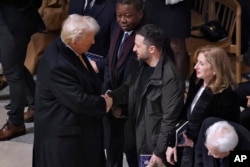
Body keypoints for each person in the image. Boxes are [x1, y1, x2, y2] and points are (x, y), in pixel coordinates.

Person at [32, 14, 112, 167]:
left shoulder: (69, 49)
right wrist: (104, 102)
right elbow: (78, 100)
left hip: (78, 131)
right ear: (75, 41)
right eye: (90, 39)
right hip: (64, 138)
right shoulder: (57, 64)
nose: (94, 42)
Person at [109, 24, 184, 166]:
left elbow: (169, 120)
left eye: (137, 45)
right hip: (133, 140)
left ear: (151, 49)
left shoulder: (169, 78)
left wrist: (158, 152)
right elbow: (127, 89)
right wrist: (109, 98)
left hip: (150, 147)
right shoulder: (139, 65)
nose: (133, 49)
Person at [166, 46, 241, 167]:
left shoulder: (227, 96)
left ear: (215, 69)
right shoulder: (196, 81)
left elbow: (224, 137)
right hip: (185, 145)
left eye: (201, 64)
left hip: (206, 155)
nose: (195, 67)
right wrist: (173, 142)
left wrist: (193, 144)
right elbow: (186, 113)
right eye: (196, 63)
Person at [102, 0, 145, 166]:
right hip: (112, 99)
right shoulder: (116, 28)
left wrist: (117, 101)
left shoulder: (145, 36)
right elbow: (109, 61)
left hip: (131, 105)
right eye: (119, 15)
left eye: (128, 16)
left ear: (140, 13)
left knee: (132, 151)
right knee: (112, 148)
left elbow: (137, 79)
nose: (122, 20)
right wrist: (107, 93)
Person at [0, 0, 45, 140]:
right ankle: (36, 106)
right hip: (6, 15)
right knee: (14, 66)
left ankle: (16, 123)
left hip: (16, 18)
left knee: (13, 72)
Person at [143, 0, 191, 81]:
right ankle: (157, 81)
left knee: (177, 46)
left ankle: (179, 86)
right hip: (155, 4)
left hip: (176, 5)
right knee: (154, 40)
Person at [69, 0, 117, 79]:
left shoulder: (113, 7)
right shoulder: (75, 2)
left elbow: (117, 47)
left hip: (97, 72)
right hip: (71, 65)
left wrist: (98, 66)